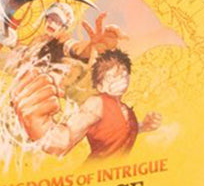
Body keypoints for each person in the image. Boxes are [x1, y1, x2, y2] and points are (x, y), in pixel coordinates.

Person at [12, 49, 161, 159]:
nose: (119, 79)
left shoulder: (127, 111)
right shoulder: (96, 104)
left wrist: (143, 126)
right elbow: (64, 140)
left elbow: (118, 129)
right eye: (111, 76)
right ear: (100, 86)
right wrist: (38, 124)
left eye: (123, 73)